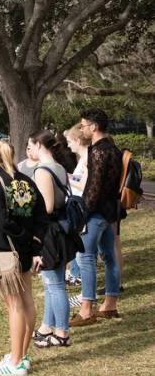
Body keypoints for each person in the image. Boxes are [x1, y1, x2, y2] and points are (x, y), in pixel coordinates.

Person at [0, 140, 46, 376]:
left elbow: (1, 221)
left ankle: (16, 361)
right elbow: (41, 216)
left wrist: (21, 237)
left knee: (14, 305)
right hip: (26, 249)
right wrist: (33, 242)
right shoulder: (27, 182)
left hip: (4, 249)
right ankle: (20, 353)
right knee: (27, 300)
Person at [70, 109, 123, 327]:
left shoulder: (98, 151)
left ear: (94, 127)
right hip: (110, 211)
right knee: (110, 257)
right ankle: (110, 304)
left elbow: (94, 187)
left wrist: (84, 211)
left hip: (97, 212)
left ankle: (87, 309)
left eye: (83, 125)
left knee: (86, 257)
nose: (82, 129)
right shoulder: (113, 147)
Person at [26, 130, 78, 348]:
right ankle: (48, 326)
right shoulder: (59, 166)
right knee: (50, 283)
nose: (29, 150)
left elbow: (46, 207)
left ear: (39, 145)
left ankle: (62, 332)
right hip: (60, 230)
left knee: (55, 285)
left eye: (30, 145)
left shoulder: (43, 170)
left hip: (50, 232)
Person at [63, 125, 90, 288]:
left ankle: (86, 293)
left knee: (84, 256)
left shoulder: (87, 158)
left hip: (81, 210)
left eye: (69, 141)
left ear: (78, 140)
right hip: (78, 209)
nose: (68, 145)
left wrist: (67, 178)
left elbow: (85, 184)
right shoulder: (83, 158)